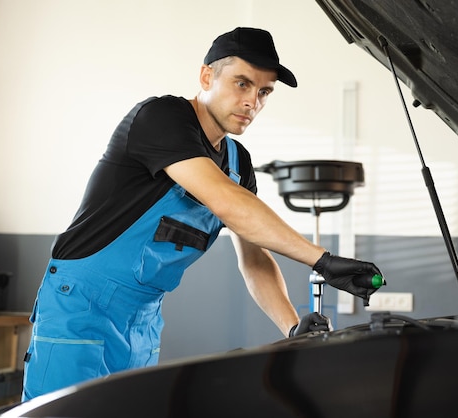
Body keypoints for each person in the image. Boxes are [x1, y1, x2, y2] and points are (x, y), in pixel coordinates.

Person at [21, 27, 382, 401]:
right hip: (80, 306)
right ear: (207, 75)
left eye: (264, 91)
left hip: (142, 319)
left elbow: (255, 259)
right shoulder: (161, 117)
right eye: (242, 84)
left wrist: (294, 329)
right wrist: (323, 260)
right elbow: (226, 201)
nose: (252, 102)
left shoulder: (239, 163)